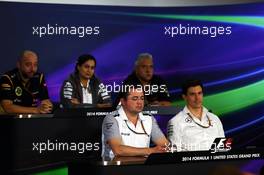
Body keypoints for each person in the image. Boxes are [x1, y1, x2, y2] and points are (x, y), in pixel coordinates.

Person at [102, 86, 169, 158]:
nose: (139, 102)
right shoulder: (111, 118)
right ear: (123, 101)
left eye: (142, 98)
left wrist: (165, 149)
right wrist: (150, 151)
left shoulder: (149, 118)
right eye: (135, 98)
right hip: (114, 166)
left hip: (143, 166)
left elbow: (165, 145)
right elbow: (118, 150)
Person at [167, 79, 225, 151]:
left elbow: (222, 148)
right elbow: (174, 153)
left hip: (215, 161)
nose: (197, 98)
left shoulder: (215, 118)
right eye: (192, 94)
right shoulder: (175, 122)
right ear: (184, 97)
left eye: (199, 93)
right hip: (190, 162)